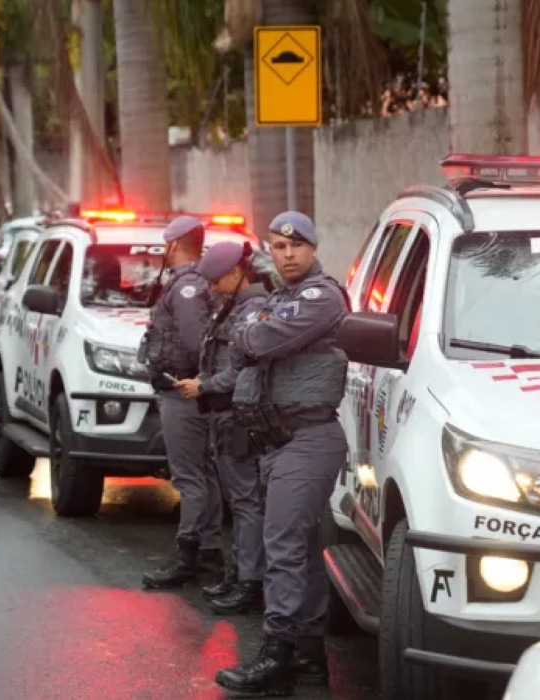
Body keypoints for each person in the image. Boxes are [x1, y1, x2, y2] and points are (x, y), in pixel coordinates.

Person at [214, 212, 350, 695]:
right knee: (301, 553)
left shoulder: (321, 296)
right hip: (275, 442)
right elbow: (241, 340)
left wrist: (254, 334)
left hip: (308, 437)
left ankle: (276, 653)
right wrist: (253, 334)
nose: (287, 254)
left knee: (283, 548)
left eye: (296, 246)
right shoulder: (275, 298)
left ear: (312, 248)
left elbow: (259, 339)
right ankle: (309, 661)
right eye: (278, 246)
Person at [173, 242, 270, 614]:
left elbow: (243, 368)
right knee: (241, 501)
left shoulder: (253, 308)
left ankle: (250, 582)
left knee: (247, 502)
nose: (211, 288)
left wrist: (205, 386)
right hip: (227, 414)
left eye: (216, 280)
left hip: (238, 415)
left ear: (235, 273)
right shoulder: (235, 304)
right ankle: (241, 572)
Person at [137, 215, 223, 590]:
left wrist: (199, 382)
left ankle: (191, 555)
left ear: (176, 243)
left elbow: (195, 341)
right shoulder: (198, 281)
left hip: (184, 393)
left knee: (191, 478)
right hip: (193, 392)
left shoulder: (187, 286)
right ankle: (209, 555)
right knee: (203, 476)